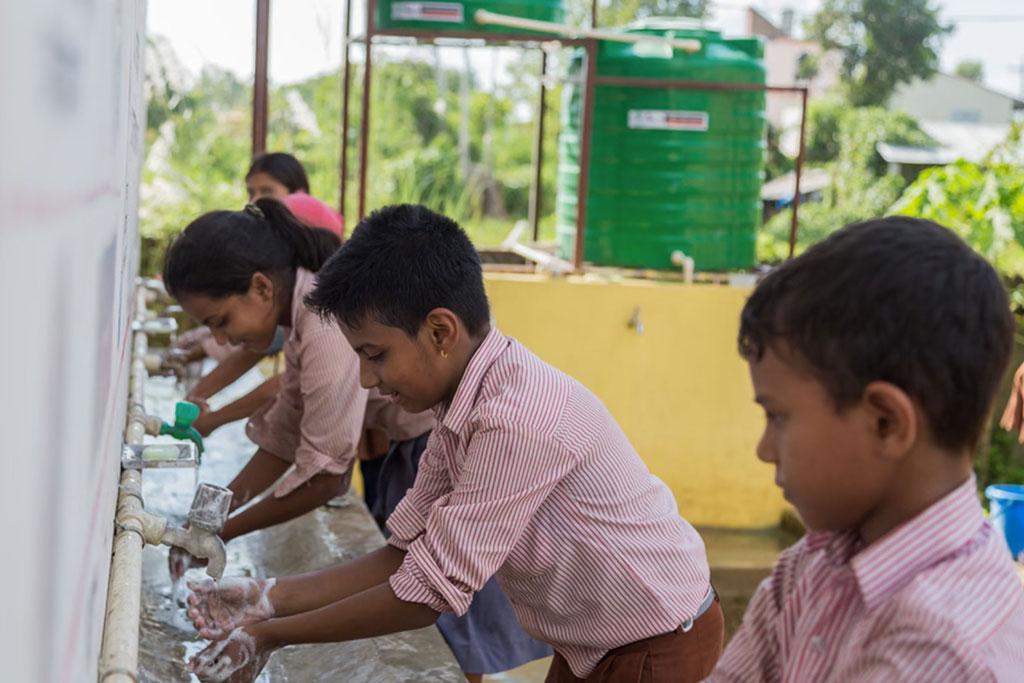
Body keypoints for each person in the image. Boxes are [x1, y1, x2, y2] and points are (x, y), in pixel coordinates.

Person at [184, 204, 720, 683]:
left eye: (375, 355)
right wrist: (267, 597)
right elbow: (405, 554)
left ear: (440, 332)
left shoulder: (513, 418)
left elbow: (428, 593)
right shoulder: (459, 403)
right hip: (595, 639)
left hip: (654, 639)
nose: (368, 381)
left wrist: (273, 634)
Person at [710, 217, 1024, 681]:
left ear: (886, 423)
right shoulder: (811, 564)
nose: (764, 449)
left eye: (777, 416)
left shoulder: (936, 648)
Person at [162, 198, 413, 574]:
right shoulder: (299, 314)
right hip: (409, 442)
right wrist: (205, 518)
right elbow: (285, 434)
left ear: (261, 287)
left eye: (221, 321)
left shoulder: (323, 322)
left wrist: (220, 533)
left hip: (433, 443)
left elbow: (327, 478)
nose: (221, 340)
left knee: (459, 610)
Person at [246, 151, 343, 238]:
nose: (255, 200)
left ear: (298, 191)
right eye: (251, 192)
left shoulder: (298, 211)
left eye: (267, 191)